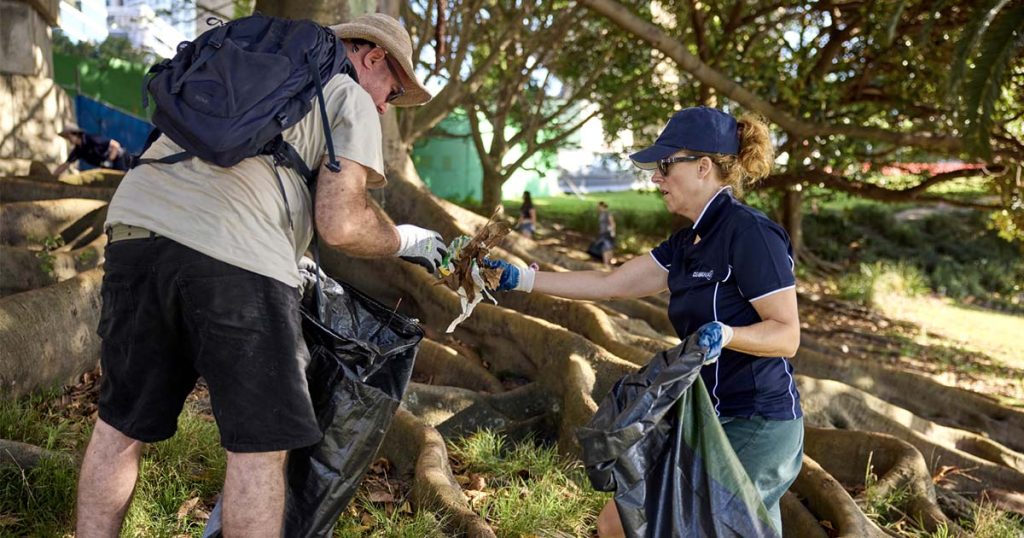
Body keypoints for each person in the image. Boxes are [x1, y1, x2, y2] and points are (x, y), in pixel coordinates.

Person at [75, 14, 445, 538]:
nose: (387, 104)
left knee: (119, 428)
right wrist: (407, 239)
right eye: (395, 88)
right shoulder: (347, 92)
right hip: (236, 256)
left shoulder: (239, 73)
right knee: (260, 449)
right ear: (372, 57)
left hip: (135, 230)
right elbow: (341, 224)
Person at [485, 107, 803, 537]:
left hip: (757, 422)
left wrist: (728, 335)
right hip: (705, 416)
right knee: (617, 521)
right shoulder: (688, 241)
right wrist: (523, 278)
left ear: (703, 167)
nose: (656, 178)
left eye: (666, 165)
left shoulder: (751, 235)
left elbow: (786, 335)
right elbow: (611, 282)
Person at [52, 123, 128, 175]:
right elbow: (66, 165)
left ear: (75, 134)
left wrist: (109, 161)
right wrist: (52, 176)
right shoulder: (78, 150)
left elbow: (116, 145)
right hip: (108, 167)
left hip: (119, 159)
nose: (68, 139)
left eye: (69, 137)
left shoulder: (91, 139)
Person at [588, 200, 616, 266]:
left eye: (598, 206)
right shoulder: (601, 214)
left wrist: (612, 232)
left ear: (602, 206)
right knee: (604, 247)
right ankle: (606, 262)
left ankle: (607, 262)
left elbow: (612, 223)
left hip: (607, 233)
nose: (597, 208)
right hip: (602, 233)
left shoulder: (607, 214)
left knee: (607, 247)